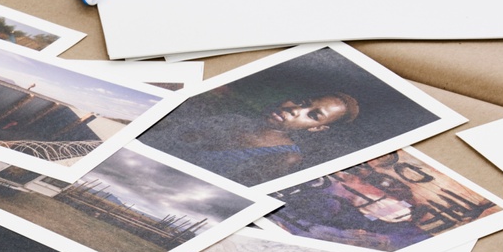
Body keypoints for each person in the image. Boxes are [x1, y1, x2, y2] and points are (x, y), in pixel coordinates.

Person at [140, 93, 360, 185]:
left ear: (317, 129)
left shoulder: (285, 157)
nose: (295, 110)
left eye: (312, 115)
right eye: (302, 101)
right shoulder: (232, 118)